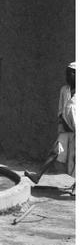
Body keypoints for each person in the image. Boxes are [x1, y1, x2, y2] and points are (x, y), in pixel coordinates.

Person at [24, 62, 76, 195]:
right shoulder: (64, 90)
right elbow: (60, 110)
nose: (66, 76)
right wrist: (61, 124)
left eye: (69, 72)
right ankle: (37, 176)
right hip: (66, 128)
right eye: (66, 72)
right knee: (55, 151)